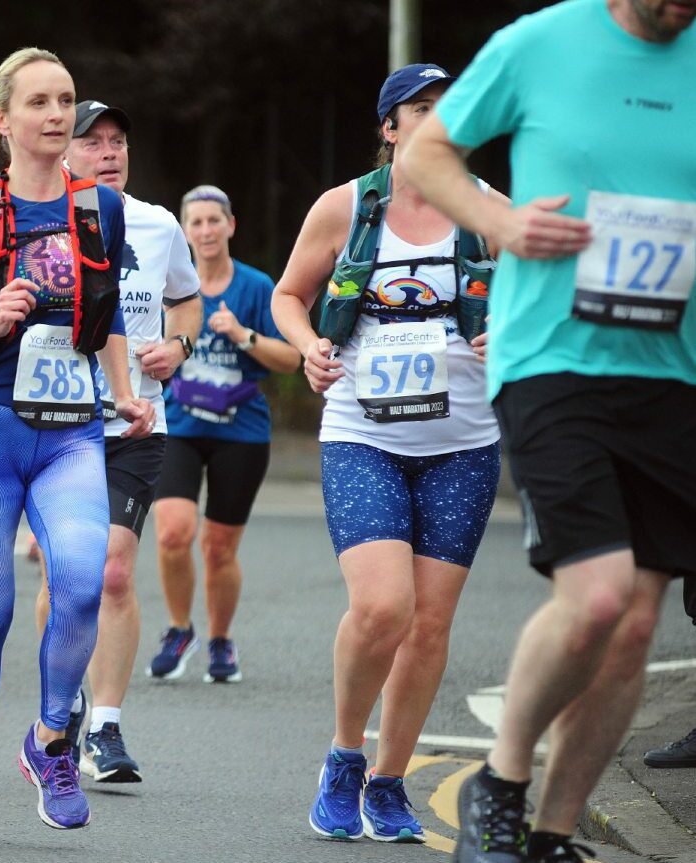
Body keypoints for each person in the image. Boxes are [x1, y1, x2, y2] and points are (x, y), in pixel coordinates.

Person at [399, 2, 696, 859]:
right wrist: (501, 225)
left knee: (636, 622)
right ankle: (501, 780)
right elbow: (428, 152)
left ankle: (550, 834)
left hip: (674, 374)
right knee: (598, 593)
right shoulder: (539, 43)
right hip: (551, 358)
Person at [0, 48, 155, 840]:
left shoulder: (100, 210)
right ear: (2, 118)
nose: (56, 114)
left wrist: (124, 390)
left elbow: (107, 311)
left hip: (70, 429)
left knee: (84, 579)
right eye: (40, 102)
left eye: (65, 100)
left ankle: (51, 737)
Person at [272, 63, 506, 844]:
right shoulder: (345, 207)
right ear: (388, 126)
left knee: (429, 626)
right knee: (382, 608)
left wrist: (504, 330)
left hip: (462, 444)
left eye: (452, 108)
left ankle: (389, 779)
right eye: (421, 108)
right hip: (361, 433)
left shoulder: (487, 209)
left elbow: (537, 301)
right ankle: (344, 754)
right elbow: (286, 294)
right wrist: (306, 346)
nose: (439, 119)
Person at [28, 100, 203, 784]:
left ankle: (105, 725)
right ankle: (59, 702)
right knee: (61, 571)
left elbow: (185, 299)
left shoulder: (157, 225)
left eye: (117, 141)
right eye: (92, 140)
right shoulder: (39, 220)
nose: (108, 151)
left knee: (113, 571)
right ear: (64, 151)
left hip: (133, 422)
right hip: (55, 418)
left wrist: (178, 344)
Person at [147, 183, 300, 688]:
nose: (207, 230)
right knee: (172, 532)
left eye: (215, 220)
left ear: (231, 225)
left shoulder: (256, 288)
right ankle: (177, 628)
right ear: (184, 231)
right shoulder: (168, 283)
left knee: (218, 548)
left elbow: (291, 359)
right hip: (181, 425)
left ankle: (220, 638)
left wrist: (241, 335)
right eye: (197, 222)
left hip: (241, 430)